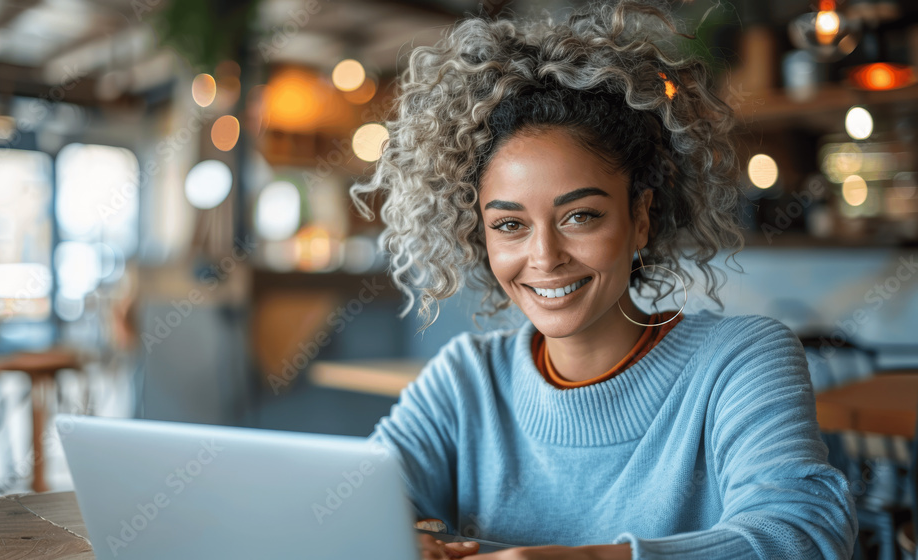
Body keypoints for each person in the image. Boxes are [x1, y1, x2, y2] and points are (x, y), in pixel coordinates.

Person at [348, 1, 858, 558]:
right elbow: (354, 506)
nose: (544, 256)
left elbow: (804, 535)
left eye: (580, 216)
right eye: (510, 225)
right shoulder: (465, 381)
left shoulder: (739, 361)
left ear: (640, 219)